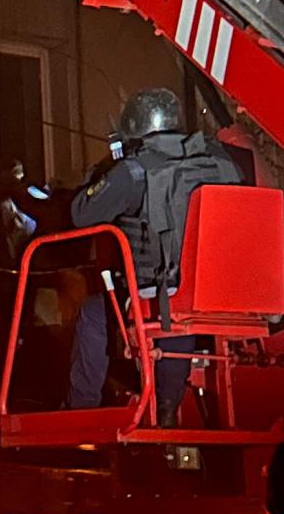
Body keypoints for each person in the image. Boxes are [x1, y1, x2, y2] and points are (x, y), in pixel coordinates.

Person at [65, 87, 242, 424]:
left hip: (163, 296)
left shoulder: (134, 170)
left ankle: (80, 411)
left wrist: (100, 177)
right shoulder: (221, 161)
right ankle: (168, 402)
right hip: (224, 295)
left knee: (94, 315)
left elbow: (82, 214)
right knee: (183, 307)